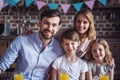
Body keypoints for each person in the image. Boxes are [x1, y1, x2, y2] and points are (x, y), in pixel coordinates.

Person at [0, 9, 63, 80]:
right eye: (46, 23)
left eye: (54, 25)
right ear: (40, 23)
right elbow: (3, 63)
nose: (49, 28)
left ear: (58, 28)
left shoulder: (59, 48)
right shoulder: (22, 40)